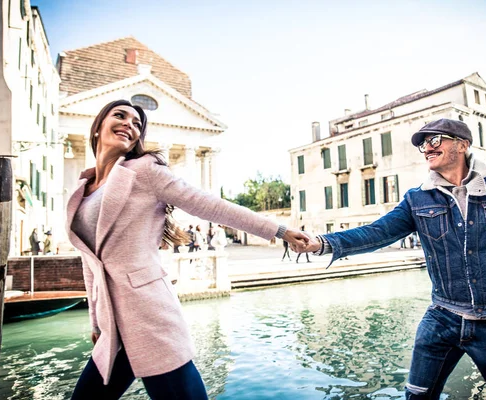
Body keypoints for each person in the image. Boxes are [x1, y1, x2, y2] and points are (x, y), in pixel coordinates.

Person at [296, 118, 486, 399]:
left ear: (462, 144)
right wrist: (321, 243)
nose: (427, 148)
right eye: (423, 144)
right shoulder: (417, 199)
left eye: (434, 140)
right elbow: (377, 232)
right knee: (417, 397)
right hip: (442, 318)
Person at [66, 99, 309, 399]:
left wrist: (279, 230)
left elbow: (209, 204)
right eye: (120, 115)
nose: (129, 123)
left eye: (137, 123)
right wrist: (97, 322)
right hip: (112, 328)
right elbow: (90, 263)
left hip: (149, 315)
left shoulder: (144, 171)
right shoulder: (82, 189)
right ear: (98, 127)